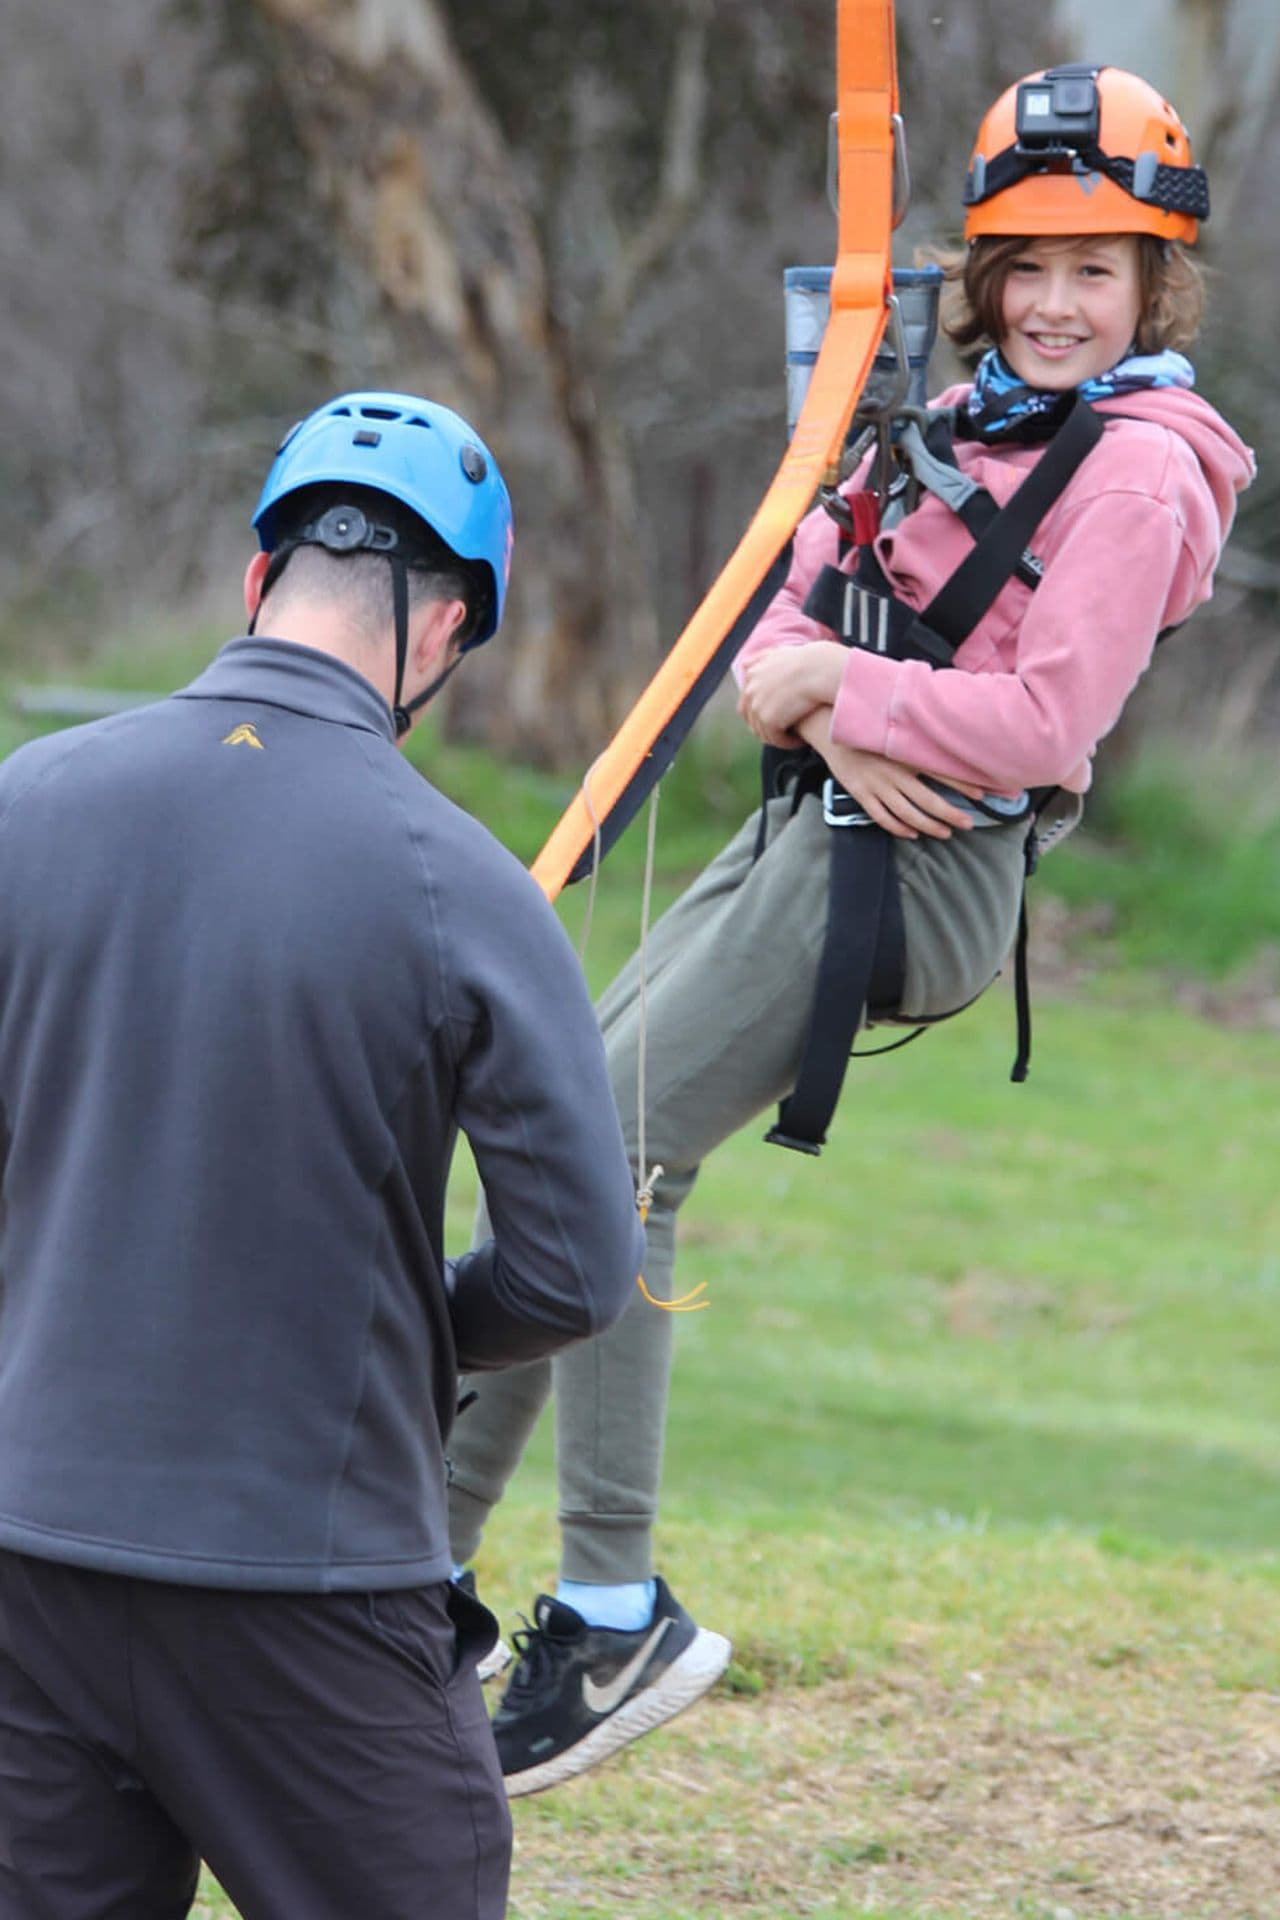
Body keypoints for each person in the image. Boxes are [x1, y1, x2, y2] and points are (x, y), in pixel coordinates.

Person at [445, 64, 1255, 1800]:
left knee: (611, 1155)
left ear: (1155, 287)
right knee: (558, 1124)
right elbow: (769, 642)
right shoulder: (937, 423)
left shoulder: (1136, 476)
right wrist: (832, 701)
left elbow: (1044, 726)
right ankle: (410, 1577)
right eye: (1026, 268)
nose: (1052, 304)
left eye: (1095, 271)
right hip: (819, 818)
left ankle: (608, 1605)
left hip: (928, 873)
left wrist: (845, 690)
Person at [0, 390, 645, 1920]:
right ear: (443, 636)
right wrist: (420, 1323)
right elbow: (577, 1269)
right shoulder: (466, 886)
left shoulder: (22, 806)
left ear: (255, 581)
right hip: (310, 1590)